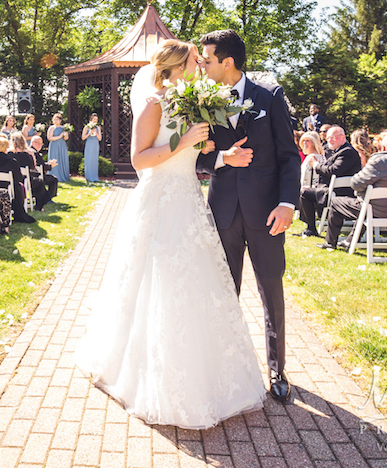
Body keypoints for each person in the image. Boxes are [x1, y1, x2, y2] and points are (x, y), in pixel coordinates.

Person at [75, 37, 267, 429]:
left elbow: (195, 155)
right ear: (179, 67)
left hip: (189, 202)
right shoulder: (154, 104)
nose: (202, 65)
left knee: (197, 285)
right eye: (196, 60)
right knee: (156, 284)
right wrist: (183, 142)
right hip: (159, 201)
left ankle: (206, 372)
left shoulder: (192, 103)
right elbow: (139, 159)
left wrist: (214, 152)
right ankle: (147, 372)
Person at [194, 30, 301, 403]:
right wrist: (222, 158)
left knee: (271, 290)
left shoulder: (269, 96)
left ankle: (277, 368)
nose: (201, 65)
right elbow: (195, 156)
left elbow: (289, 155)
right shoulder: (200, 100)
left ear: (228, 62)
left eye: (207, 59)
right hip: (222, 211)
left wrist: (287, 204)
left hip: (267, 212)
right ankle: (227, 367)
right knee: (225, 292)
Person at [318, 132, 387, 250]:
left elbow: (355, 183)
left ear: (383, 147)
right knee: (366, 202)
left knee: (337, 202)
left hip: (375, 211)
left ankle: (330, 242)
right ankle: (350, 241)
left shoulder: (378, 161)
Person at [297, 126, 362, 238]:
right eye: (328, 138)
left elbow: (333, 171)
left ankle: (311, 228)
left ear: (342, 137)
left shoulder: (347, 152)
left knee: (305, 193)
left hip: (340, 192)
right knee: (306, 192)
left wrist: (316, 165)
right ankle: (310, 227)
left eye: (333, 137)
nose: (329, 140)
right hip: (331, 189)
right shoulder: (337, 151)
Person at [0, 136, 36, 224]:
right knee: (18, 186)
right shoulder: (11, 161)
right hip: (7, 188)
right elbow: (18, 178)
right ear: (6, 148)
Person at [29, 135, 58, 208]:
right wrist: (50, 166)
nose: (40, 145)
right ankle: (47, 199)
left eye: (41, 144)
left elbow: (41, 164)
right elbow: (41, 167)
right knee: (53, 179)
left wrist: (48, 164)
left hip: (30, 176)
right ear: (32, 142)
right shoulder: (34, 153)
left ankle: (46, 197)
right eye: (37, 143)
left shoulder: (29, 151)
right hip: (36, 177)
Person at [46, 113, 70, 182]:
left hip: (62, 145)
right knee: (55, 159)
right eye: (54, 120)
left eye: (57, 120)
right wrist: (59, 137)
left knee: (62, 159)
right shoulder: (52, 128)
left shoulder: (64, 128)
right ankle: (54, 175)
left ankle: (63, 175)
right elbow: (49, 138)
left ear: (60, 120)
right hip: (54, 145)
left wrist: (65, 134)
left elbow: (66, 138)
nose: (55, 121)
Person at [82, 114, 102, 182]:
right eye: (94, 119)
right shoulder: (87, 127)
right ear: (91, 119)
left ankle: (95, 177)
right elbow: (83, 137)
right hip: (89, 143)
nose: (95, 121)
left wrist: (96, 133)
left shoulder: (98, 127)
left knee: (94, 160)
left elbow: (100, 139)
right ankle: (89, 177)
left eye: (96, 120)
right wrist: (89, 133)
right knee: (89, 159)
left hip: (95, 144)